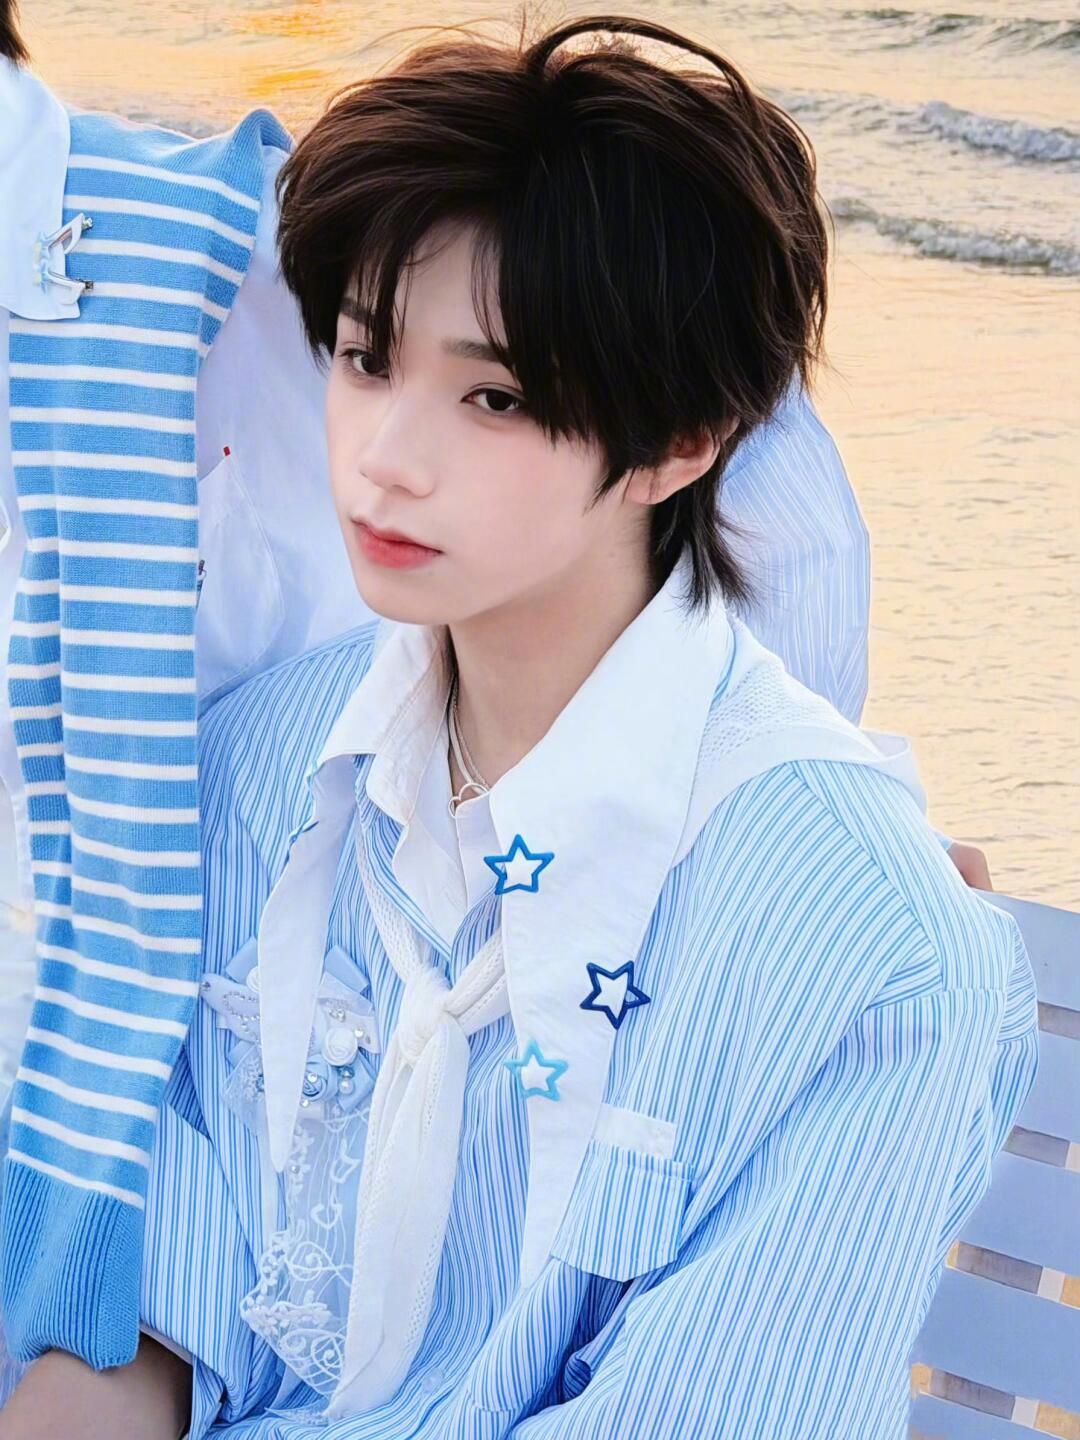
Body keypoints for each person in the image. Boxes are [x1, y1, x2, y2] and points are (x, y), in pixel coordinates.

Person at [0, 11, 1026, 1440]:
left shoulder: (872, 954)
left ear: (682, 440)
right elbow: (159, 1323)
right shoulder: (258, 779)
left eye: (494, 396)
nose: (385, 459)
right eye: (365, 360)